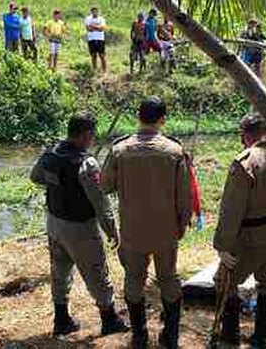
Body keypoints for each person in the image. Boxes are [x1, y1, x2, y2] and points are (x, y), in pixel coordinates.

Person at [102, 97, 193, 349]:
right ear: (163, 119)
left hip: (132, 228)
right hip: (166, 229)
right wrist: (183, 223)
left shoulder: (120, 150)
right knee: (168, 277)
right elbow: (184, 196)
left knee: (133, 277)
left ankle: (139, 335)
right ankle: (171, 336)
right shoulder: (174, 151)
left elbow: (105, 185)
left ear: (138, 116)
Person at [30, 113, 128, 337]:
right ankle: (109, 319)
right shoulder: (87, 163)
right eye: (92, 134)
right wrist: (112, 231)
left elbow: (35, 177)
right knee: (96, 271)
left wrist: (58, 184)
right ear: (85, 135)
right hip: (80, 227)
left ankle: (61, 319)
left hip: (55, 222)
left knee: (59, 271)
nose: (93, 139)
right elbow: (100, 202)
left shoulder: (51, 153)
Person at [213, 114, 266, 349]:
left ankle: (229, 338)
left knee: (225, 281)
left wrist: (222, 245)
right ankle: (261, 339)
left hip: (252, 234)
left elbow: (232, 209)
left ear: (246, 134)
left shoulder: (246, 161)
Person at [85, 7, 107, 73]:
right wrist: (98, 26)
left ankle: (104, 71)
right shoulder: (88, 19)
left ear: (98, 12)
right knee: (93, 55)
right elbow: (89, 28)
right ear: (91, 12)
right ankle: (94, 70)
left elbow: (102, 28)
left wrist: (93, 26)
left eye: (96, 11)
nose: (95, 13)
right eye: (93, 11)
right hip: (91, 39)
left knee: (102, 55)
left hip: (100, 39)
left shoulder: (102, 19)